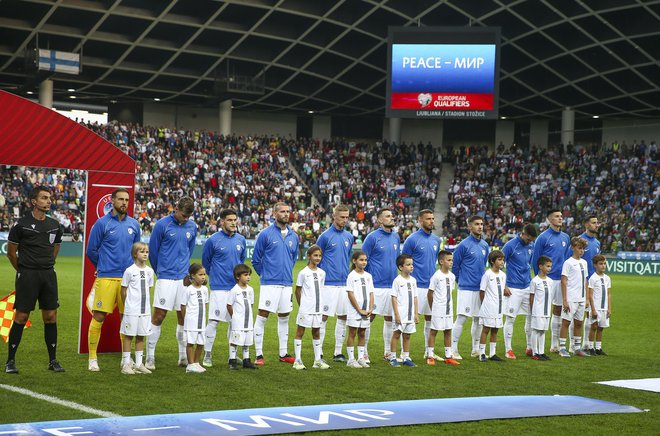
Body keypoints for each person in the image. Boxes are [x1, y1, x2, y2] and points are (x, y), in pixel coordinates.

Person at [5, 187, 64, 374]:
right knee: (22, 316)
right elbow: (11, 253)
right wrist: (23, 270)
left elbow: (56, 247)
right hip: (27, 275)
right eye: (44, 198)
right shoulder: (20, 225)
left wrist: (47, 264)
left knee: (50, 316)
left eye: (49, 198)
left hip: (48, 275)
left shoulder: (55, 225)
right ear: (33, 202)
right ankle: (10, 361)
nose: (48, 201)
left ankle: (53, 360)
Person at [86, 188, 141, 372]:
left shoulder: (134, 224)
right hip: (107, 277)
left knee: (127, 318)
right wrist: (103, 266)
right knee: (99, 316)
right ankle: (92, 358)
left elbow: (137, 251)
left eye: (127, 199)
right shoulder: (101, 224)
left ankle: (126, 359)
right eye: (121, 199)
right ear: (112, 201)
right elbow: (91, 251)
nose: (124, 202)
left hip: (128, 280)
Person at [146, 197, 197, 370]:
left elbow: (189, 250)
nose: (186, 219)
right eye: (183, 215)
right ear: (176, 209)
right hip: (166, 277)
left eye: (189, 216)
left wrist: (185, 271)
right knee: (159, 315)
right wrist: (160, 271)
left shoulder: (192, 227)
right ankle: (150, 357)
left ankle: (183, 356)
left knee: (183, 316)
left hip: (183, 279)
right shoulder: (162, 225)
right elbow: (153, 251)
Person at [252, 202, 299, 365]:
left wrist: (285, 273)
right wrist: (265, 275)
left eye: (288, 211)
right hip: (269, 283)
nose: (286, 214)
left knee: (284, 317)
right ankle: (258, 354)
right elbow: (256, 260)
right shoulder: (265, 234)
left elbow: (293, 259)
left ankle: (283, 353)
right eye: (283, 211)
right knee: (263, 316)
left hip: (286, 283)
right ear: (274, 214)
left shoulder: (294, 236)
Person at [201, 208, 246, 367]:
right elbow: (206, 263)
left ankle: (232, 356)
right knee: (213, 321)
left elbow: (241, 262)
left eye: (235, 220)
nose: (233, 223)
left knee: (235, 322)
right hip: (219, 288)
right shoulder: (213, 240)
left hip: (236, 288)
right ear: (222, 222)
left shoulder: (241, 240)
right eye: (230, 220)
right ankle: (207, 354)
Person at [316, 204, 354, 362]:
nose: (344, 220)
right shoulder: (324, 236)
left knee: (343, 317)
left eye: (347, 217)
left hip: (344, 284)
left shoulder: (349, 237)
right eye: (342, 217)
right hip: (328, 284)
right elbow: (316, 258)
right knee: (323, 317)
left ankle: (338, 352)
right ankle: (319, 353)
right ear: (334, 217)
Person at [362, 208, 400, 362]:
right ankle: (363, 351)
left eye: (392, 215)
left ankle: (388, 352)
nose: (392, 218)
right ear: (379, 220)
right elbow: (363, 259)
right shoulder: (372, 238)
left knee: (390, 319)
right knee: (369, 318)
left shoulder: (396, 237)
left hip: (392, 285)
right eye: (388, 216)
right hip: (375, 285)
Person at [402, 209, 441, 356]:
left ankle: (428, 351)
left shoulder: (437, 240)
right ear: (420, 220)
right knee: (409, 320)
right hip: (415, 286)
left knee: (430, 319)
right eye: (428, 219)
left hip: (431, 287)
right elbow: (403, 261)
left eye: (432, 218)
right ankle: (404, 354)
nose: (431, 221)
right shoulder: (412, 239)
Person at [531, 209, 570, 353]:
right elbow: (536, 259)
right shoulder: (543, 238)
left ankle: (554, 344)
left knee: (558, 310)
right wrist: (539, 278)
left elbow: (566, 259)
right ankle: (532, 345)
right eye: (556, 216)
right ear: (549, 219)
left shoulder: (566, 237)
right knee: (540, 310)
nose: (560, 218)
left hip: (560, 280)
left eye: (561, 216)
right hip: (546, 280)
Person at [451, 216, 489, 360]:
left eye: (481, 224)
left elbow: (483, 265)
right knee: (461, 318)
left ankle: (475, 349)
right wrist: (461, 281)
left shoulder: (485, 245)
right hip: (466, 288)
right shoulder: (463, 245)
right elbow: (455, 266)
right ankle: (453, 349)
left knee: (478, 319)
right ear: (469, 227)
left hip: (479, 289)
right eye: (476, 224)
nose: (480, 227)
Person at [501, 223, 538, 359]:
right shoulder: (511, 245)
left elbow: (529, 264)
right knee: (510, 318)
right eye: (528, 239)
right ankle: (508, 349)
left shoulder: (531, 245)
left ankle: (529, 347)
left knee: (531, 316)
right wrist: (504, 285)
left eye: (532, 240)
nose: (530, 242)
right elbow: (498, 263)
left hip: (527, 286)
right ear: (523, 233)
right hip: (513, 287)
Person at [119, 242, 154, 374]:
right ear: (135, 254)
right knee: (129, 336)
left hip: (145, 310)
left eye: (147, 252)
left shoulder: (150, 271)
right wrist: (128, 305)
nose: (145, 254)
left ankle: (139, 364)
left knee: (141, 336)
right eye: (142, 251)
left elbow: (148, 289)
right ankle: (126, 364)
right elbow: (123, 290)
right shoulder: (130, 271)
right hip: (132, 310)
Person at [293, 245, 329, 370]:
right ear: (309, 256)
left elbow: (322, 290)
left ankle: (317, 360)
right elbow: (297, 290)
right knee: (300, 332)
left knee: (316, 332)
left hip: (318, 308)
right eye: (315, 255)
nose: (318, 258)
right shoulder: (303, 273)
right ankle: (297, 360)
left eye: (319, 256)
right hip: (306, 308)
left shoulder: (322, 273)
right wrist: (302, 305)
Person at [570, 215, 600, 350]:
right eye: (594, 223)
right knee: (576, 316)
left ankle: (586, 345)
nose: (597, 225)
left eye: (597, 223)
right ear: (586, 224)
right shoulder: (579, 241)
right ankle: (572, 345)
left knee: (591, 313)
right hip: (580, 283)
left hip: (593, 283)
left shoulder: (597, 243)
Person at [426, 250, 460, 365]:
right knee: (434, 331)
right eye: (448, 260)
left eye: (452, 260)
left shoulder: (452, 276)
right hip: (438, 308)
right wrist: (433, 307)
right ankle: (430, 355)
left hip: (449, 308)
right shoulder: (436, 276)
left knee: (448, 331)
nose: (451, 262)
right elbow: (430, 293)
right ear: (441, 261)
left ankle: (448, 356)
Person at [558, 237, 589, 358]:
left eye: (583, 249)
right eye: (579, 248)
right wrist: (565, 300)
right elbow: (564, 281)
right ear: (573, 248)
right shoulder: (568, 263)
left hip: (581, 299)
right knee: (565, 323)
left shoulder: (584, 263)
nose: (581, 251)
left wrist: (586, 299)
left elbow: (585, 281)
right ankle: (562, 348)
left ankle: (576, 348)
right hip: (571, 298)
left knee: (578, 324)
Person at [478, 250, 508, 362]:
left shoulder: (503, 275)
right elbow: (482, 291)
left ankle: (492, 353)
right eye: (499, 259)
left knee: (495, 330)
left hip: (499, 306)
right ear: (492, 261)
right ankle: (481, 353)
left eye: (503, 259)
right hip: (488, 307)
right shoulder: (487, 274)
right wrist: (485, 304)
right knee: (486, 329)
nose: (502, 262)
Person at [345, 251, 374, 369]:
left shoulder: (368, 276)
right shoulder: (351, 276)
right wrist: (359, 309)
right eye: (361, 260)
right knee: (352, 332)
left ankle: (361, 358)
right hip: (355, 310)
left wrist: (371, 308)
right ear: (354, 261)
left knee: (362, 333)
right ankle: (351, 359)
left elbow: (371, 293)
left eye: (365, 260)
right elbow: (350, 294)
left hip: (366, 310)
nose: (364, 262)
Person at [389, 254, 418, 367]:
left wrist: (416, 313)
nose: (411, 266)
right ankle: (392, 357)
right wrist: (396, 314)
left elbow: (415, 298)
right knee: (397, 334)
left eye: (412, 264)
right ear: (401, 267)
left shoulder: (413, 280)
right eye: (408, 264)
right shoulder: (397, 281)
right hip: (401, 313)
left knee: (407, 335)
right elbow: (394, 297)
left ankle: (406, 357)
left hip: (410, 313)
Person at [226, 264, 257, 370]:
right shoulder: (234, 290)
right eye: (245, 275)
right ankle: (232, 361)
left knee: (246, 341)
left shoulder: (250, 290)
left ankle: (246, 360)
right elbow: (229, 305)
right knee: (235, 341)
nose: (248, 277)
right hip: (238, 322)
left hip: (248, 321)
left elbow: (251, 304)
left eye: (249, 275)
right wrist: (234, 317)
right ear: (238, 276)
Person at [181, 263, 209, 373]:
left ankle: (196, 363)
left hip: (201, 322)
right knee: (190, 343)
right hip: (191, 321)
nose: (203, 277)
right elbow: (183, 305)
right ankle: (190, 364)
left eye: (204, 274)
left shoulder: (205, 290)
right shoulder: (189, 290)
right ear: (192, 275)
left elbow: (205, 304)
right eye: (200, 274)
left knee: (201, 343)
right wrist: (186, 319)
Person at [585, 255, 611, 356]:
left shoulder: (607, 278)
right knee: (594, 326)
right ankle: (591, 348)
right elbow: (590, 295)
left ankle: (598, 348)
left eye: (604, 263)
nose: (603, 266)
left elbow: (609, 294)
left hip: (604, 307)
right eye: (600, 264)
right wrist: (593, 309)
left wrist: (609, 308)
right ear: (595, 265)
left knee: (601, 327)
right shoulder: (593, 278)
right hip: (595, 307)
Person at [529, 256, 553, 361]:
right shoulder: (535, 281)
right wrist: (532, 309)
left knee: (543, 331)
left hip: (546, 310)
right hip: (537, 310)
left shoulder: (550, 281)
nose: (549, 268)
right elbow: (532, 297)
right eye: (547, 266)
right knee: (536, 331)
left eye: (550, 266)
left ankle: (541, 352)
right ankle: (535, 352)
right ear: (540, 266)